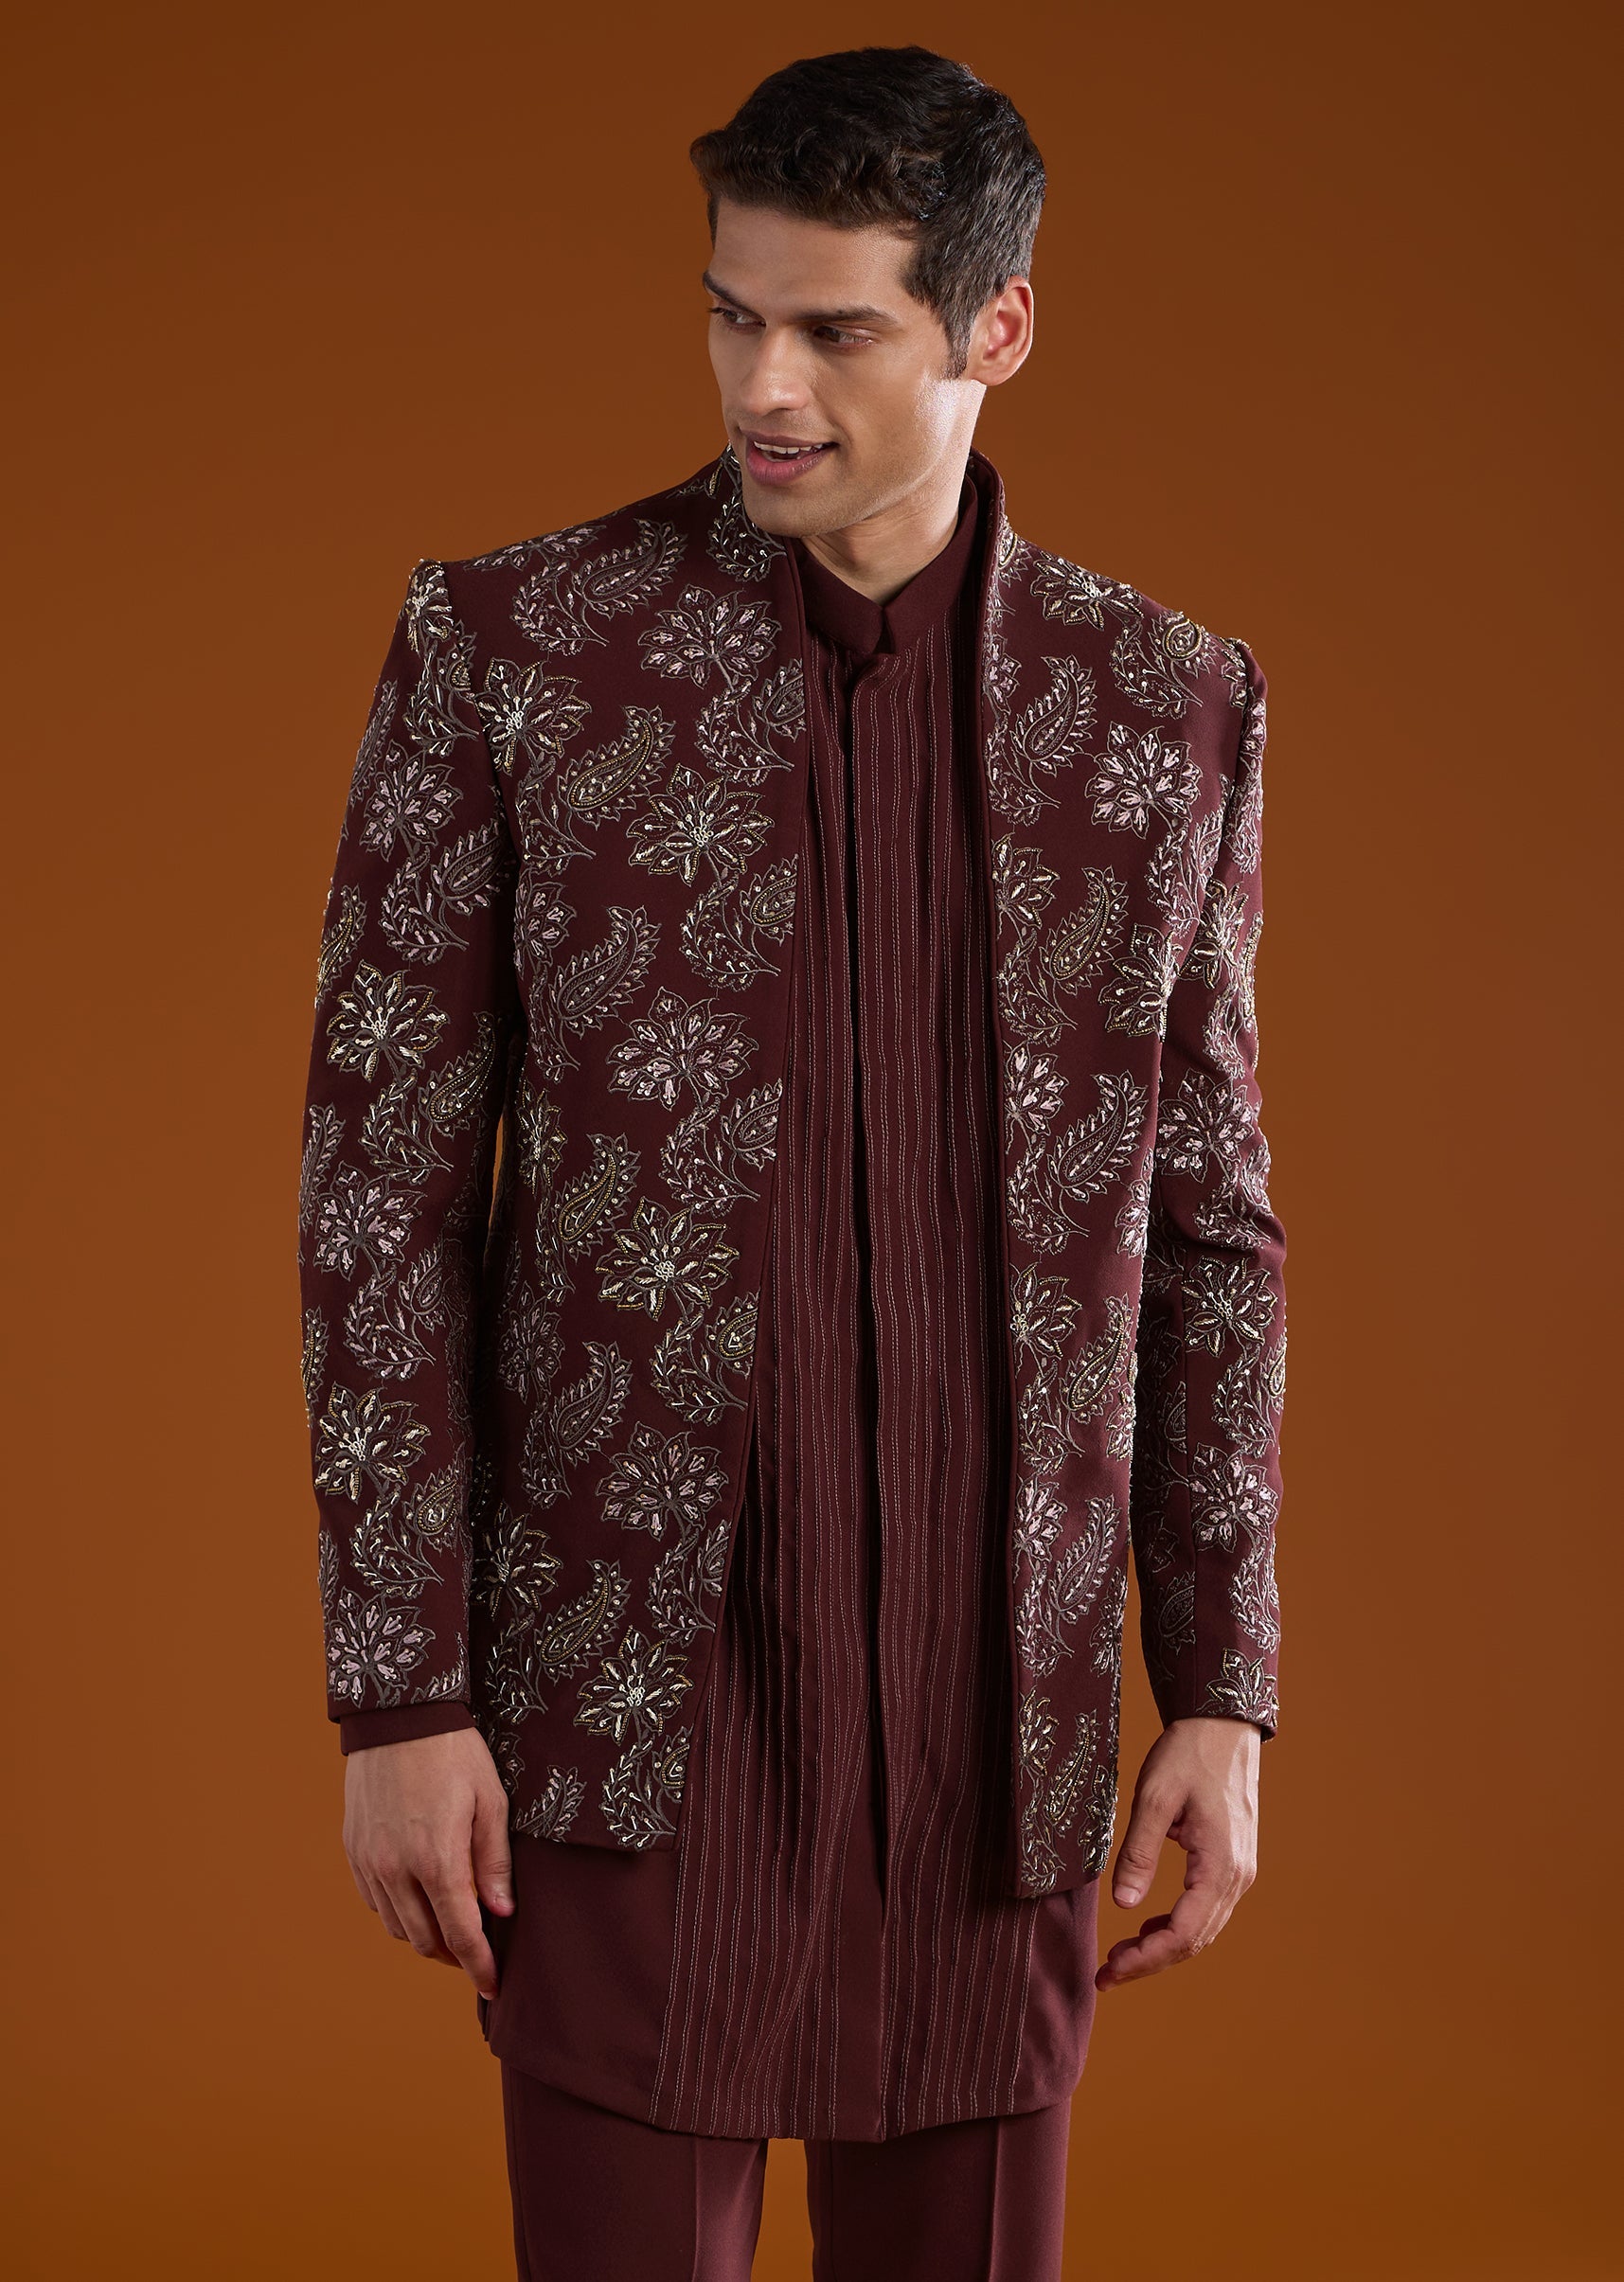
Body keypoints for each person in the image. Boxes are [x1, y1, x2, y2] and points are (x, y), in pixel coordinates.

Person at [296, 42, 1288, 2281]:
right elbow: (378, 1197)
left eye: (836, 329)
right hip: (628, 1706)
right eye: (732, 313)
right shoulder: (517, 654)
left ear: (996, 327)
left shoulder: (1167, 711)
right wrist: (402, 1691)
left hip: (991, 1731)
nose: (764, 383)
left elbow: (1211, 1229)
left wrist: (1223, 1681)